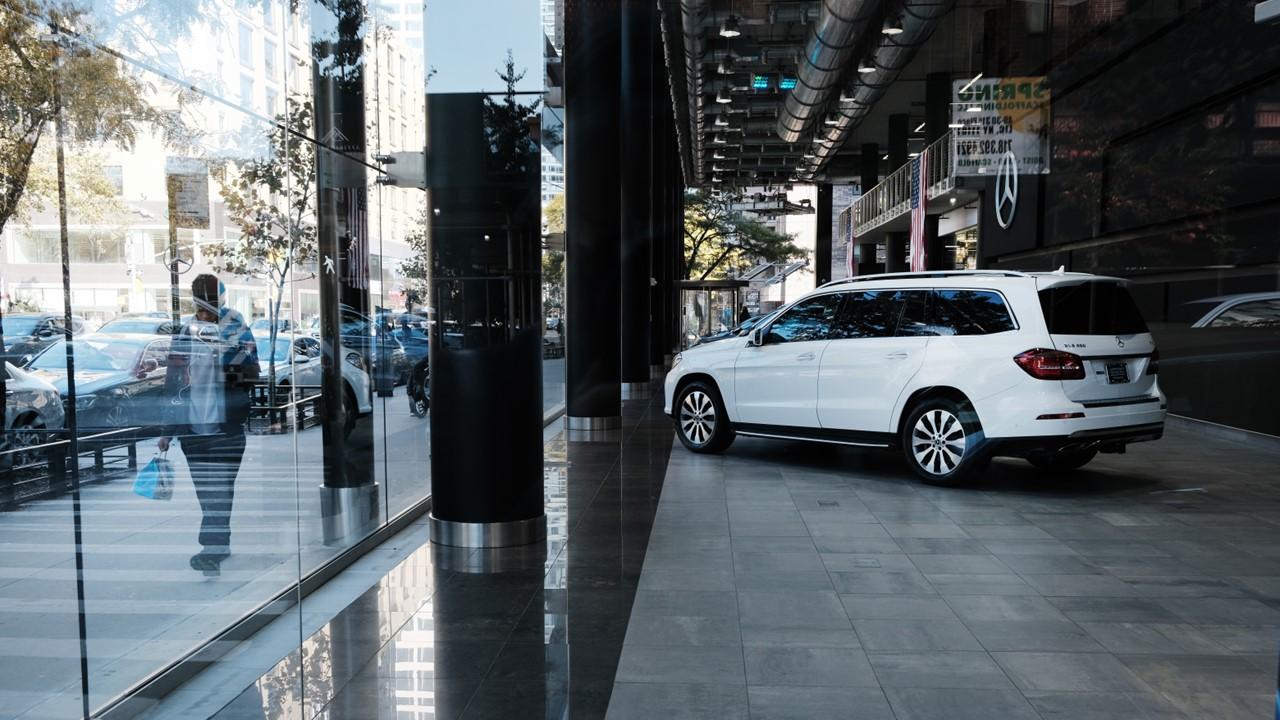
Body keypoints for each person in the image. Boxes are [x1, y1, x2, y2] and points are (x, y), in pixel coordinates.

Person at [158, 275, 259, 576]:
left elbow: (253, 374)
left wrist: (226, 352)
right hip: (193, 429)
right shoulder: (185, 333)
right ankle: (218, 545)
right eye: (199, 307)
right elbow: (172, 381)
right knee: (207, 490)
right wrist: (167, 430)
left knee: (221, 488)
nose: (204, 314)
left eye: (209, 306)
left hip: (227, 426)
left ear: (219, 301)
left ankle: (211, 549)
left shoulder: (237, 327)